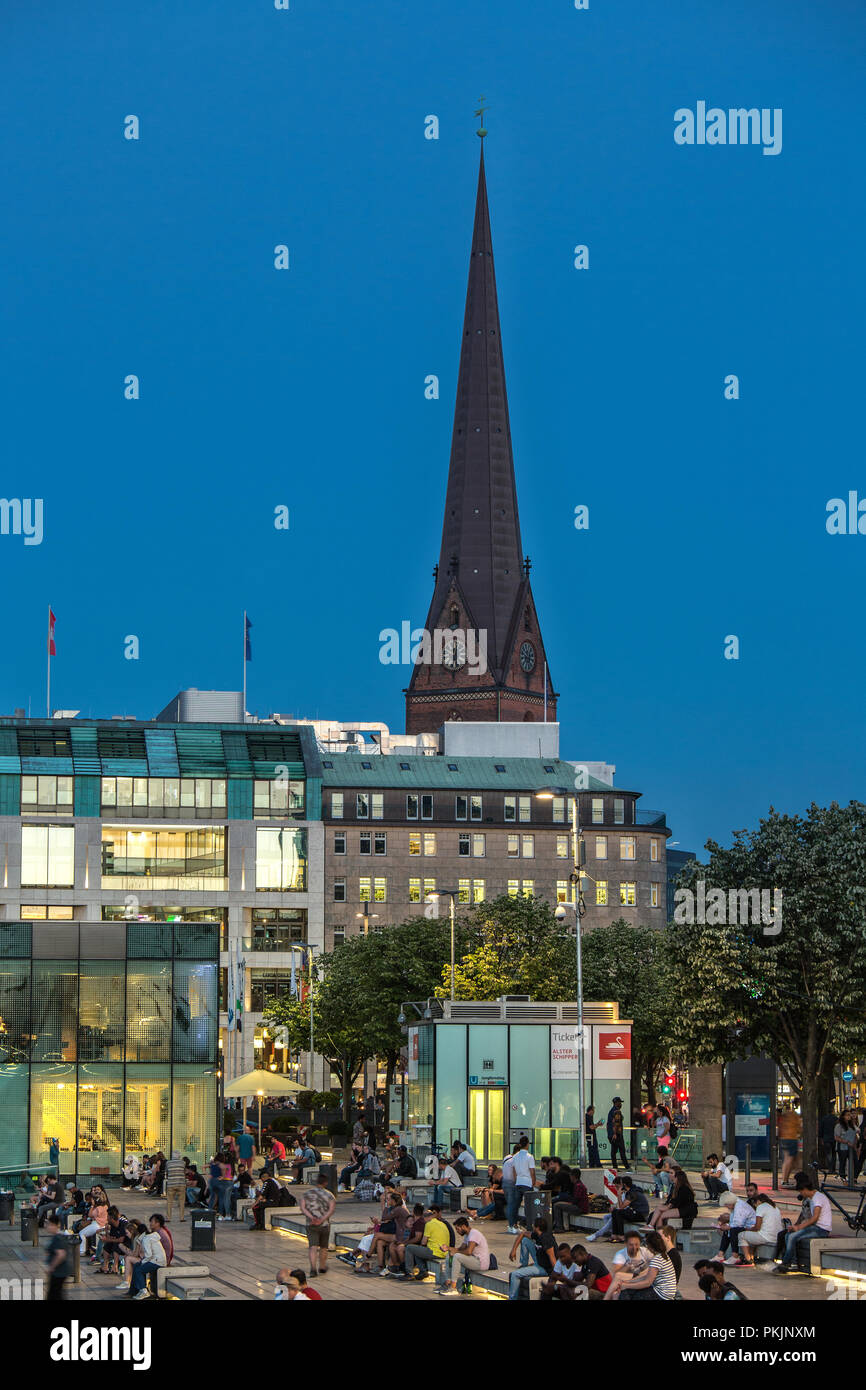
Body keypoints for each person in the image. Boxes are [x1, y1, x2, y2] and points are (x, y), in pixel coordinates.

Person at [773, 1171, 833, 1274]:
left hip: (821, 1229)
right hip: (816, 1227)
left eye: (801, 1192)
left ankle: (786, 1263)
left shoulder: (817, 1198)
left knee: (792, 1236)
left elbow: (814, 1218)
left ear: (804, 1190)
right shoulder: (814, 1198)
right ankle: (794, 1263)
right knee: (788, 1235)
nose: (801, 1195)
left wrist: (799, 1227)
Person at [618, 1230, 677, 1301]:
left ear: (650, 1246)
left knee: (627, 1292)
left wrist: (626, 1285)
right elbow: (646, 1276)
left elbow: (647, 1282)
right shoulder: (663, 1255)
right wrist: (629, 1282)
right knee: (629, 1289)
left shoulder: (657, 1260)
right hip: (665, 1292)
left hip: (662, 1295)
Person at [295, 1173, 336, 1277]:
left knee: (312, 1247)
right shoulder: (329, 1195)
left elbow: (303, 1207)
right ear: (325, 1183)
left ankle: (313, 1268)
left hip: (311, 1224)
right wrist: (322, 1219)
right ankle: (322, 1266)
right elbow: (331, 1209)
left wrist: (312, 1217)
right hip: (324, 1224)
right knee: (323, 1247)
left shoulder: (306, 1194)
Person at [438, 1216, 491, 1295]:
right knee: (450, 1255)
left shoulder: (474, 1234)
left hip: (480, 1262)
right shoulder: (467, 1235)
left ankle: (453, 1288)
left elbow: (468, 1251)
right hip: (473, 1260)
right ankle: (447, 1283)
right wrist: (448, 1248)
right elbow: (460, 1249)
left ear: (463, 1226)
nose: (457, 1232)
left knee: (457, 1256)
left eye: (458, 1229)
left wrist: (455, 1253)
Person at [507, 1218, 556, 1299]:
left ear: (537, 1227)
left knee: (515, 1275)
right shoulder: (537, 1235)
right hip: (540, 1260)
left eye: (534, 1225)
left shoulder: (546, 1239)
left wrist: (554, 1276)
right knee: (525, 1240)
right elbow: (522, 1234)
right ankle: (524, 1264)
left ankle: (512, 1298)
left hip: (545, 1268)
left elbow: (552, 1257)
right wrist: (513, 1250)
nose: (532, 1226)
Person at [405, 1205, 451, 1281]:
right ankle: (423, 1271)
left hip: (435, 1252)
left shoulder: (428, 1224)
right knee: (417, 1250)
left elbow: (423, 1242)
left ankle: (409, 1273)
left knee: (410, 1248)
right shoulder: (442, 1224)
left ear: (426, 1218)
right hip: (444, 1253)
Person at [129, 1215, 168, 1299]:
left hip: (157, 1262)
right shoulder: (151, 1236)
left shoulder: (146, 1239)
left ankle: (144, 1291)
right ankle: (138, 1290)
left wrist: (142, 1262)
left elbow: (149, 1255)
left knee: (139, 1270)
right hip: (157, 1260)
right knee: (137, 1266)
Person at [738, 1193, 784, 1265]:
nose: (755, 1206)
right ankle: (751, 1256)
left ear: (758, 1201)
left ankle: (748, 1259)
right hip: (776, 1237)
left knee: (741, 1235)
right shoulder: (775, 1207)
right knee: (751, 1236)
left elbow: (757, 1227)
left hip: (766, 1237)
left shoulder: (761, 1207)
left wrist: (748, 1229)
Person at [603, 1232, 651, 1299]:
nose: (634, 1247)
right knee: (615, 1293)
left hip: (643, 1277)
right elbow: (614, 1275)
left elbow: (656, 1264)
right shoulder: (620, 1254)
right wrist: (627, 1266)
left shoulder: (645, 1251)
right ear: (626, 1244)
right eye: (631, 1245)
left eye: (636, 1244)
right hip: (629, 1279)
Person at [373, 1189, 411, 1273]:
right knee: (380, 1242)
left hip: (402, 1236)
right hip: (397, 1234)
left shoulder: (398, 1209)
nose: (387, 1200)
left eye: (388, 1199)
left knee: (378, 1236)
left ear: (393, 1200)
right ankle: (383, 1265)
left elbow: (384, 1217)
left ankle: (401, 1267)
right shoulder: (395, 1209)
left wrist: (385, 1205)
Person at [508, 1135, 536, 1232]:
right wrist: (533, 1181)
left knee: (515, 1205)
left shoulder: (515, 1156)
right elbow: (532, 1171)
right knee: (529, 1206)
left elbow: (514, 1171)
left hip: (518, 1182)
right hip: (527, 1182)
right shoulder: (530, 1157)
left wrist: (516, 1181)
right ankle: (529, 1226)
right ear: (527, 1144)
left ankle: (513, 1224)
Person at [552, 1165, 590, 1232]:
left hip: (580, 1208)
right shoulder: (578, 1185)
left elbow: (575, 1200)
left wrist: (566, 1203)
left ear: (573, 1176)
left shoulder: (578, 1186)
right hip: (579, 1206)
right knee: (558, 1203)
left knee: (556, 1205)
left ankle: (559, 1227)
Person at [43, 1214, 72, 1300]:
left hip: (58, 1272)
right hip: (60, 1272)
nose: (46, 1226)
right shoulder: (58, 1236)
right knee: (56, 1294)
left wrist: (51, 1267)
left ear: (54, 1225)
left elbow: (61, 1254)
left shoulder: (58, 1238)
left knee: (54, 1295)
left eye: (48, 1224)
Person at [777, 1105, 802, 1187]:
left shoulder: (784, 1117)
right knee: (790, 1159)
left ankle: (785, 1179)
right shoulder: (795, 1116)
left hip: (783, 1138)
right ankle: (785, 1179)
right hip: (792, 1138)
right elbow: (799, 1128)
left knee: (789, 1159)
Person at [835, 1110, 859, 1184]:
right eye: (847, 1115)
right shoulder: (839, 1126)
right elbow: (836, 1137)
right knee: (843, 1162)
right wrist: (846, 1141)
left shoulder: (852, 1125)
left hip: (851, 1146)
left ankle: (853, 1177)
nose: (849, 1117)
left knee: (855, 1161)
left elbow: (856, 1132)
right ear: (843, 1116)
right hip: (843, 1146)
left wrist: (855, 1142)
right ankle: (843, 1177)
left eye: (849, 1115)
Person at [164, 1150, 187, 1224]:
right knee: (181, 1201)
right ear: (179, 1156)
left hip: (171, 1184)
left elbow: (167, 1173)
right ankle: (182, 1217)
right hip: (181, 1184)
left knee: (169, 1202)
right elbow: (184, 1172)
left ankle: (168, 1218)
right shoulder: (183, 1163)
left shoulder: (168, 1163)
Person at [607, 1098, 629, 1170]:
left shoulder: (612, 1111)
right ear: (616, 1103)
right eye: (620, 1102)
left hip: (613, 1134)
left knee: (613, 1151)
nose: (621, 1104)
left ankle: (615, 1167)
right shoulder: (616, 1111)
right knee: (622, 1150)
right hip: (617, 1134)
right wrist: (615, 1133)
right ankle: (627, 1166)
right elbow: (616, 1123)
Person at [501, 1145, 519, 1231]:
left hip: (505, 1183)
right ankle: (512, 1225)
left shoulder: (506, 1158)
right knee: (511, 1205)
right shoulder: (515, 1160)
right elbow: (515, 1173)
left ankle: (511, 1224)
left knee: (510, 1204)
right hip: (512, 1184)